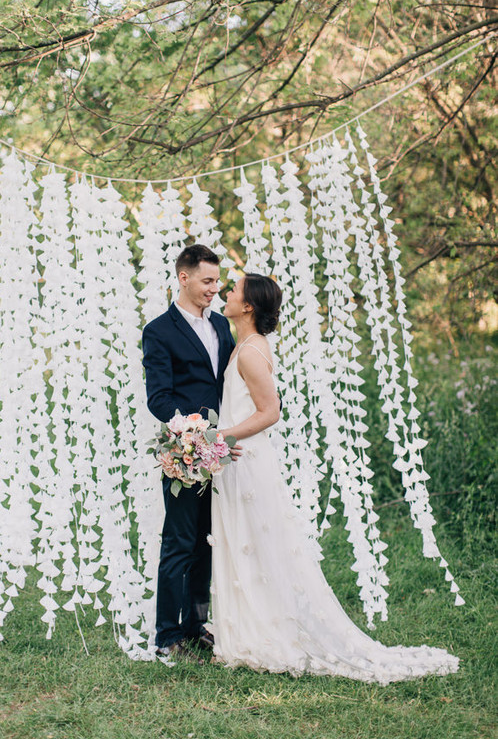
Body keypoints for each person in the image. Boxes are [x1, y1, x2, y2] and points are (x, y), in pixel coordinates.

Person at [212, 272, 459, 683]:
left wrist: (218, 438)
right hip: (237, 458)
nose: (227, 293)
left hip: (246, 459)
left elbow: (270, 412)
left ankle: (266, 634)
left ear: (249, 306)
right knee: (246, 546)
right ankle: (249, 630)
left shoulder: (252, 353)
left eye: (233, 290)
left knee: (257, 545)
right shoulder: (245, 346)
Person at [142, 244, 236, 662]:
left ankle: (197, 626)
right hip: (185, 450)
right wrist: (191, 429)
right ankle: (166, 635)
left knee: (207, 542)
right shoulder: (159, 331)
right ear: (184, 278)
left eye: (217, 281)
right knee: (178, 543)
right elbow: (158, 398)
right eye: (207, 281)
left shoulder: (221, 326)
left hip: (225, 449)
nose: (215, 289)